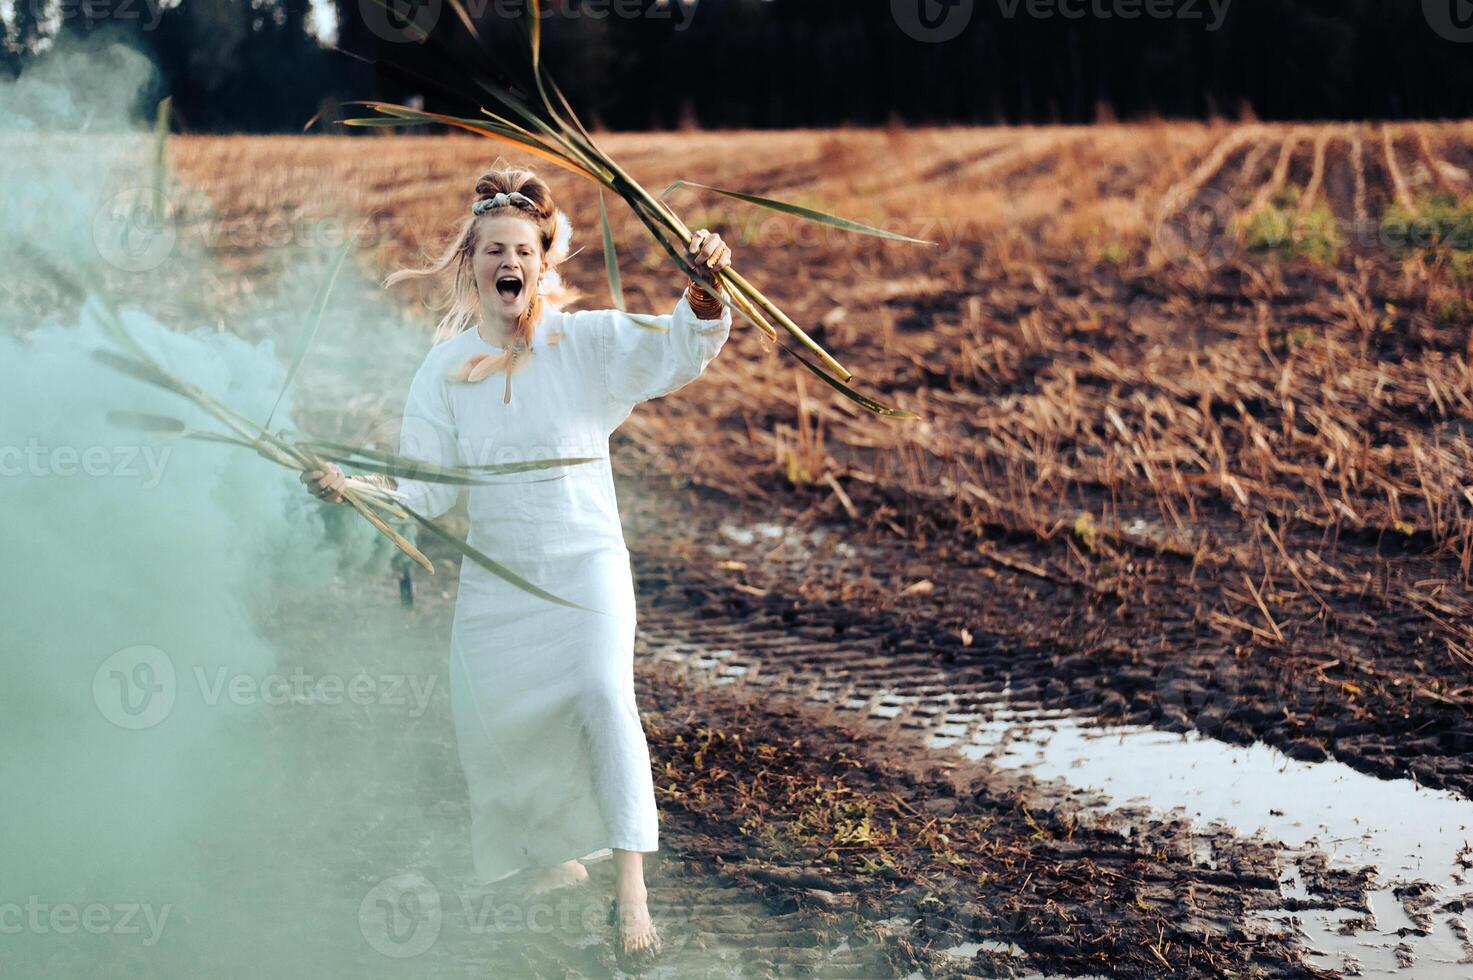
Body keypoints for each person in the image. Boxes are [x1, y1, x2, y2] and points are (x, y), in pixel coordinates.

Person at [299, 163, 733, 965]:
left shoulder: (586, 342)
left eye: (522, 250)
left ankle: (630, 894)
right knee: (492, 719)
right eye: (492, 249)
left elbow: (677, 350)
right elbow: (422, 496)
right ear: (471, 262)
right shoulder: (441, 371)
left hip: (585, 569)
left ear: (542, 262)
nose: (509, 261)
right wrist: (349, 490)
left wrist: (703, 289)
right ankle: (546, 859)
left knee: (604, 698)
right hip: (497, 583)